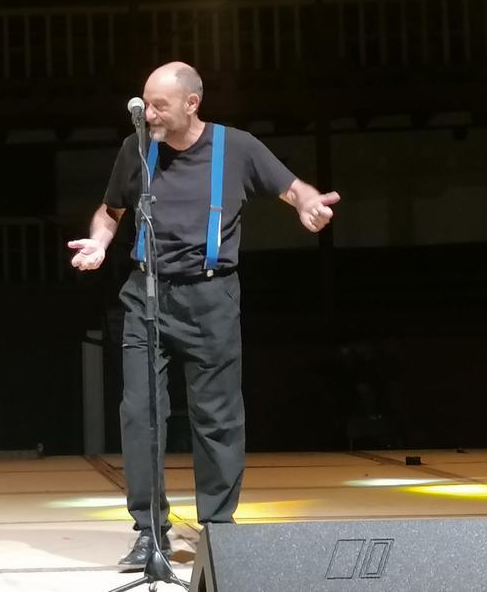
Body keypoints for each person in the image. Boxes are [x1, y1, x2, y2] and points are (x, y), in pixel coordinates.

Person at [67, 62, 338, 569]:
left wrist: (307, 205)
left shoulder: (236, 147)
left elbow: (293, 187)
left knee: (217, 418)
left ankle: (218, 530)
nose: (148, 113)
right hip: (145, 296)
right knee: (140, 415)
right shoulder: (136, 148)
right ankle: (150, 533)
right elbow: (111, 210)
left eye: (159, 105)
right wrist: (100, 243)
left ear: (192, 103)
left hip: (212, 300)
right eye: (145, 103)